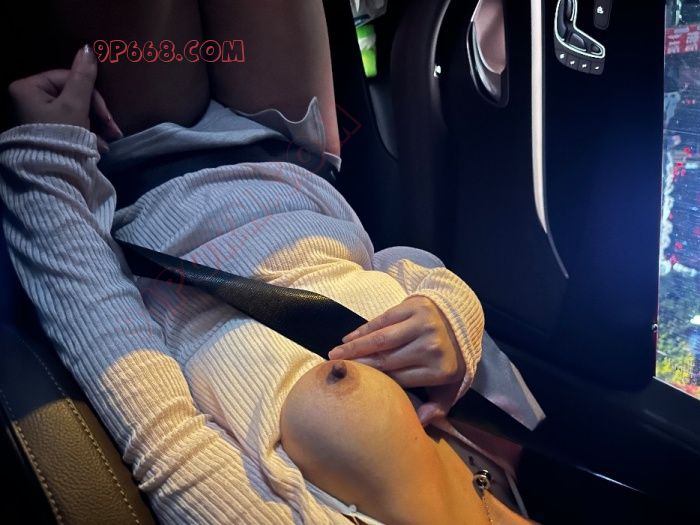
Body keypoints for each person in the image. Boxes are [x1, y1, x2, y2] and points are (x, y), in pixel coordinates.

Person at [0, 1, 533, 523]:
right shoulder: (532, 486)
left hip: (143, 174)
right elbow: (393, 263)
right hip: (297, 157)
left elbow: (163, 439)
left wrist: (46, 166)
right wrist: (454, 318)